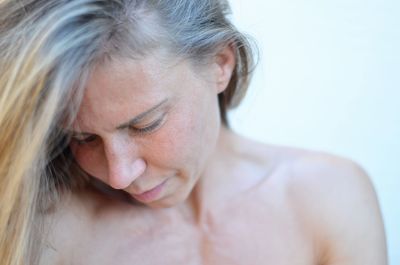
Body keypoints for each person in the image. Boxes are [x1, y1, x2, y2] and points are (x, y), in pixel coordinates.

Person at [0, 0, 387, 264]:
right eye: (84, 137)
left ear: (221, 64)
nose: (119, 174)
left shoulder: (329, 198)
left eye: (144, 123)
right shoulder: (51, 229)